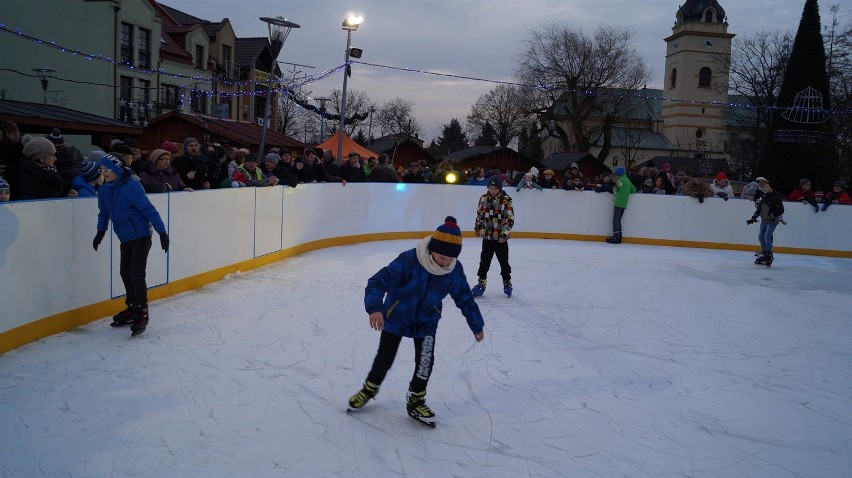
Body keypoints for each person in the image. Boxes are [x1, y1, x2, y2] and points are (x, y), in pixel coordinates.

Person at [347, 216, 485, 425]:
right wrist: (375, 307)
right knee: (384, 359)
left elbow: (465, 298)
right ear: (431, 249)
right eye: (442, 257)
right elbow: (377, 281)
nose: (446, 262)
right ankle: (369, 389)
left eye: (450, 259)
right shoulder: (409, 260)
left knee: (425, 363)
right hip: (396, 318)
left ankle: (416, 400)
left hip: (426, 322)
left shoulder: (454, 271)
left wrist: (476, 324)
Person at [93, 154, 169, 337]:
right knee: (124, 272)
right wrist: (100, 232)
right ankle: (133, 305)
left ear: (117, 170)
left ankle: (141, 312)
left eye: (107, 170)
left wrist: (162, 232)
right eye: (102, 171)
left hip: (142, 235)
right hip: (125, 237)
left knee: (136, 273)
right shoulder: (104, 190)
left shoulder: (131, 187)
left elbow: (149, 210)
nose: (104, 173)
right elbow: (104, 213)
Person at [472, 176, 515, 297]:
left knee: (503, 261)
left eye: (495, 188)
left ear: (500, 188)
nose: (493, 190)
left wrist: (504, 234)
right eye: (490, 188)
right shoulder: (483, 198)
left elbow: (510, 219)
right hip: (487, 237)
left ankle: (507, 282)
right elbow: (480, 215)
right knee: (484, 261)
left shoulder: (506, 200)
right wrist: (478, 227)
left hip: (500, 239)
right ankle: (481, 282)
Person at [17, 135, 78, 200]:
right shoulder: (31, 181)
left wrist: (66, 194)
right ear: (41, 158)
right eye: (52, 155)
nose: (55, 159)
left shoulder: (47, 174)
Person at [746, 179, 784, 268]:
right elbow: (759, 209)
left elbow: (781, 210)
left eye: (767, 186)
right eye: (765, 186)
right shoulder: (765, 196)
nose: (765, 187)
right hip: (764, 221)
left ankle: (769, 255)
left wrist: (772, 215)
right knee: (760, 237)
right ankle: (764, 254)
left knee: (767, 236)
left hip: (772, 221)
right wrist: (753, 218)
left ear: (772, 188)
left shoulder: (777, 197)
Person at [606, 166, 636, 244]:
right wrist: (626, 191)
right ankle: (619, 236)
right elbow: (634, 190)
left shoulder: (621, 180)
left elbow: (614, 190)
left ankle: (616, 236)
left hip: (618, 202)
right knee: (619, 219)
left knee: (615, 220)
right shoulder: (628, 181)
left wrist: (619, 193)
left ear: (618, 174)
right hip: (624, 203)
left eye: (616, 174)